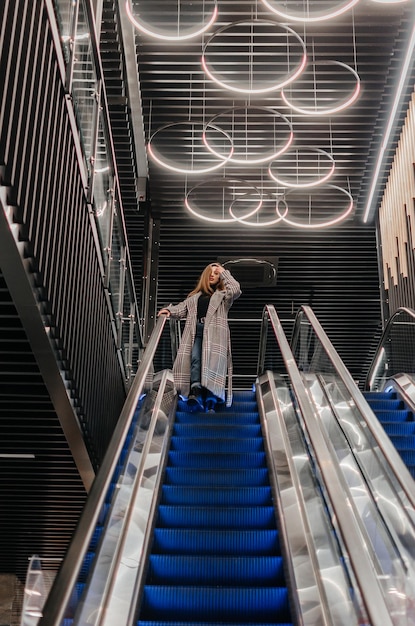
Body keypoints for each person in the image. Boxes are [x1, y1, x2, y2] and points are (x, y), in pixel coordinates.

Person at [158, 262, 241, 412]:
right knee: (195, 359)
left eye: (216, 274)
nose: (213, 275)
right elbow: (181, 309)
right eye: (210, 272)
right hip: (196, 331)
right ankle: (195, 391)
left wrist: (224, 272)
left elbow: (235, 289)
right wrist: (168, 311)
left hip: (214, 334)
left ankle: (211, 394)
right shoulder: (194, 298)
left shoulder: (223, 297)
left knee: (212, 363)